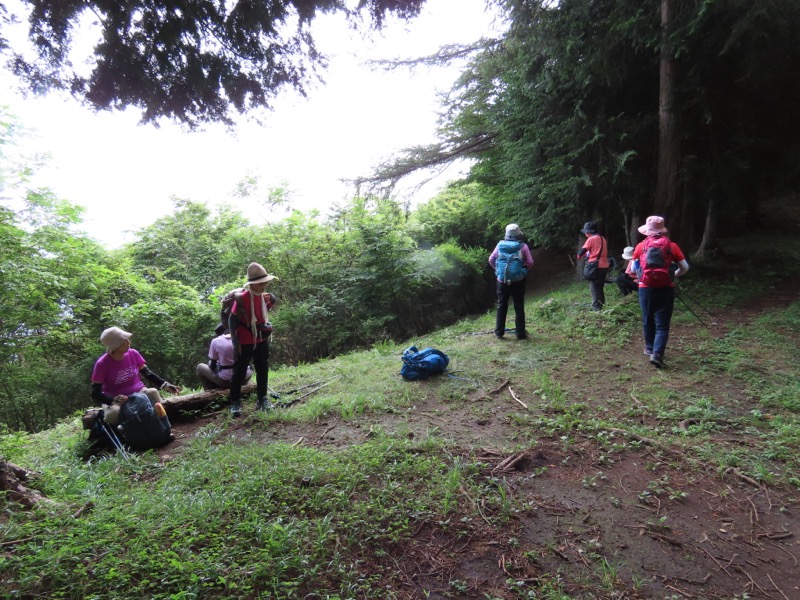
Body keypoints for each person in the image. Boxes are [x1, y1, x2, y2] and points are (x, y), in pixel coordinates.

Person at [90, 326, 180, 425]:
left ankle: (163, 426)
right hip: (115, 397)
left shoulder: (133, 354)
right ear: (115, 346)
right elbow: (95, 393)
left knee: (153, 392)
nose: (129, 342)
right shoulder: (102, 364)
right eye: (125, 341)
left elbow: (147, 373)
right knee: (112, 415)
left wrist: (165, 385)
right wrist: (112, 400)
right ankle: (125, 436)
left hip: (139, 391)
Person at [632, 215, 689, 369]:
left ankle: (649, 348)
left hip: (645, 288)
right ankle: (657, 354)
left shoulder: (640, 246)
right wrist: (673, 275)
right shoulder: (672, 246)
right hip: (666, 287)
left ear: (647, 231)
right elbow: (685, 268)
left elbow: (632, 269)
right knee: (662, 325)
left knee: (647, 319)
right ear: (662, 230)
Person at [227, 262, 278, 416]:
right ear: (252, 285)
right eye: (260, 283)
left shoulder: (265, 297)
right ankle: (234, 402)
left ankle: (262, 399)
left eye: (265, 282)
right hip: (244, 341)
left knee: (262, 369)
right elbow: (232, 319)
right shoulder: (242, 298)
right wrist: (236, 343)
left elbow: (263, 314)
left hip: (260, 339)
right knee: (240, 371)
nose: (264, 285)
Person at [488, 223, 534, 340]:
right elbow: (530, 262)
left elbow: (491, 259)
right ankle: (520, 334)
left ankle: (499, 333)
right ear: (518, 234)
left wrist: (498, 271)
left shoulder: (500, 245)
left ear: (506, 234)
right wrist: (522, 272)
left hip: (502, 280)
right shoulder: (522, 247)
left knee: (502, 305)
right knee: (519, 305)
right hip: (518, 280)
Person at [195, 325, 253, 390]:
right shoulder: (242, 337)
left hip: (227, 381)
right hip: (246, 376)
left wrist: (215, 366)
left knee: (200, 367)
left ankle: (210, 390)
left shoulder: (216, 341)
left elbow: (212, 366)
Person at [577, 221, 610, 310]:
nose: (585, 234)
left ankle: (597, 307)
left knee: (594, 286)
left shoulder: (591, 239)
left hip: (595, 266)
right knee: (600, 285)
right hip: (604, 265)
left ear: (588, 232)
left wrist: (579, 256)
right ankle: (601, 304)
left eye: (586, 232)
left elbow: (581, 252)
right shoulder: (602, 238)